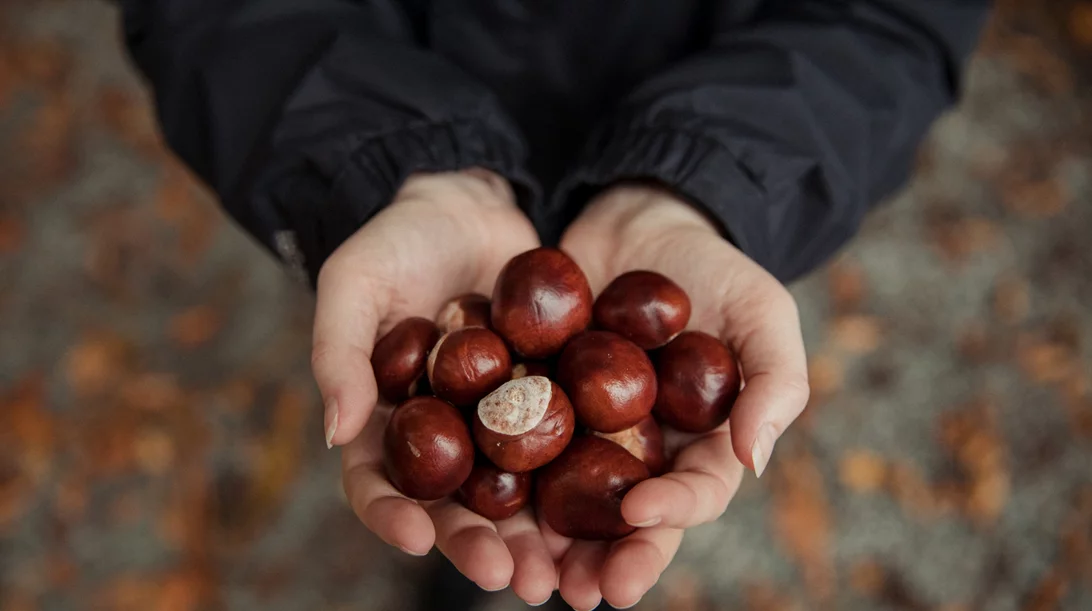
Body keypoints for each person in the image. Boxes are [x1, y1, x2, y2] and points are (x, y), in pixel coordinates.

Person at [115, 1, 991, 609]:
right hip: (407, 99)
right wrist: (388, 161)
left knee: (607, 526)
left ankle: (566, 573)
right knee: (476, 516)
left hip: (684, 95)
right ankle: (467, 579)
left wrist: (702, 179)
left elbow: (893, 20)